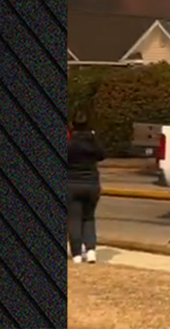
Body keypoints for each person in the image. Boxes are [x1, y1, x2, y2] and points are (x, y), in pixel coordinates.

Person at [68, 113, 105, 264]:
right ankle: (90, 251)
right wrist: (93, 137)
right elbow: (102, 155)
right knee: (89, 217)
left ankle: (77, 254)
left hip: (71, 184)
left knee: (74, 219)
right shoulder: (92, 143)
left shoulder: (69, 144)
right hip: (91, 184)